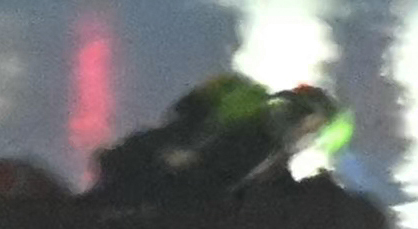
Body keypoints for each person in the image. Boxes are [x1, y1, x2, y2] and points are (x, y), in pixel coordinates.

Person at [89, 71, 355, 204]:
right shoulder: (265, 136)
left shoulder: (248, 106)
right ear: (311, 121)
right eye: (314, 131)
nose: (309, 139)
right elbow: (216, 180)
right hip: (155, 184)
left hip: (138, 160)